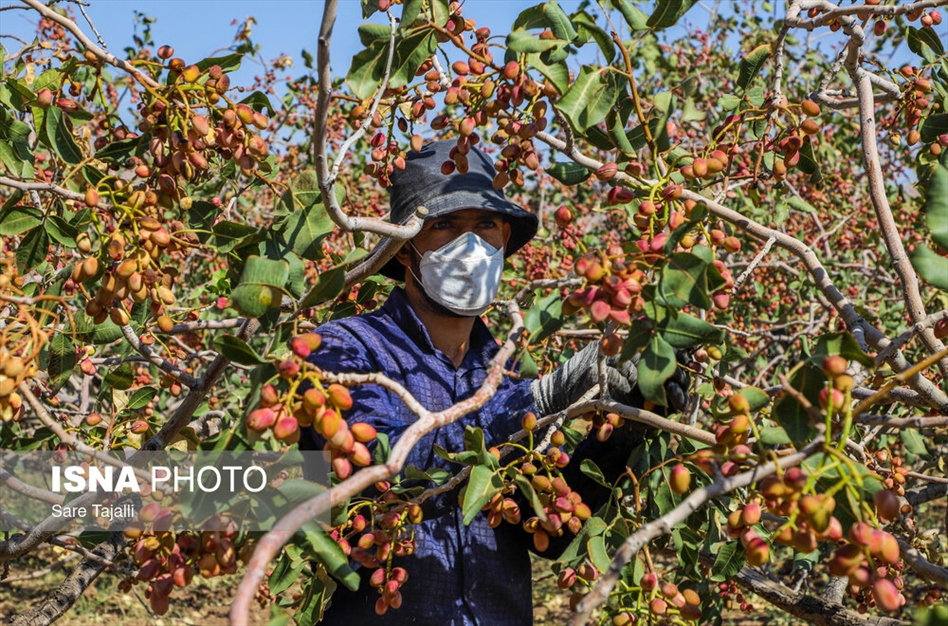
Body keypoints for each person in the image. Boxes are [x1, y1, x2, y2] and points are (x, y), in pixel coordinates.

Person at [300, 140, 683, 625]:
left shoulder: (507, 369)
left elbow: (550, 530)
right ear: (404, 249)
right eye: (444, 225)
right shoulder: (342, 349)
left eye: (485, 225)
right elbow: (381, 469)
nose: (470, 246)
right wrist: (542, 397)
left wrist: (627, 422)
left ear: (504, 238)